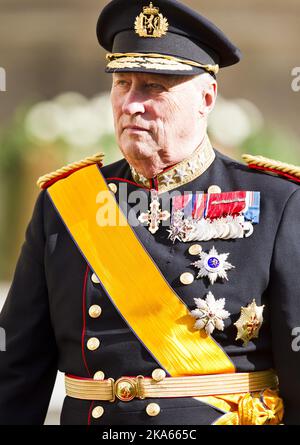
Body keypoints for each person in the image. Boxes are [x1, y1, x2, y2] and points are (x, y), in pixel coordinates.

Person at [0, 0, 300, 426]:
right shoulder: (67, 203)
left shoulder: (276, 202)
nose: (132, 104)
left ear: (206, 98)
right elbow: (16, 372)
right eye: (123, 83)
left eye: (154, 88)